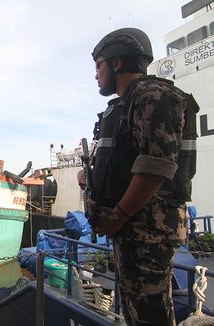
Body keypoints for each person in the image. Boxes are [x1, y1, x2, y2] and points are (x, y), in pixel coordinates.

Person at [83, 28, 199, 325]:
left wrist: (119, 214)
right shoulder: (128, 102)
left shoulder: (153, 95)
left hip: (149, 230)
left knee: (151, 315)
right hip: (133, 229)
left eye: (99, 65)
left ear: (117, 62)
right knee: (137, 310)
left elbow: (156, 165)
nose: (96, 75)